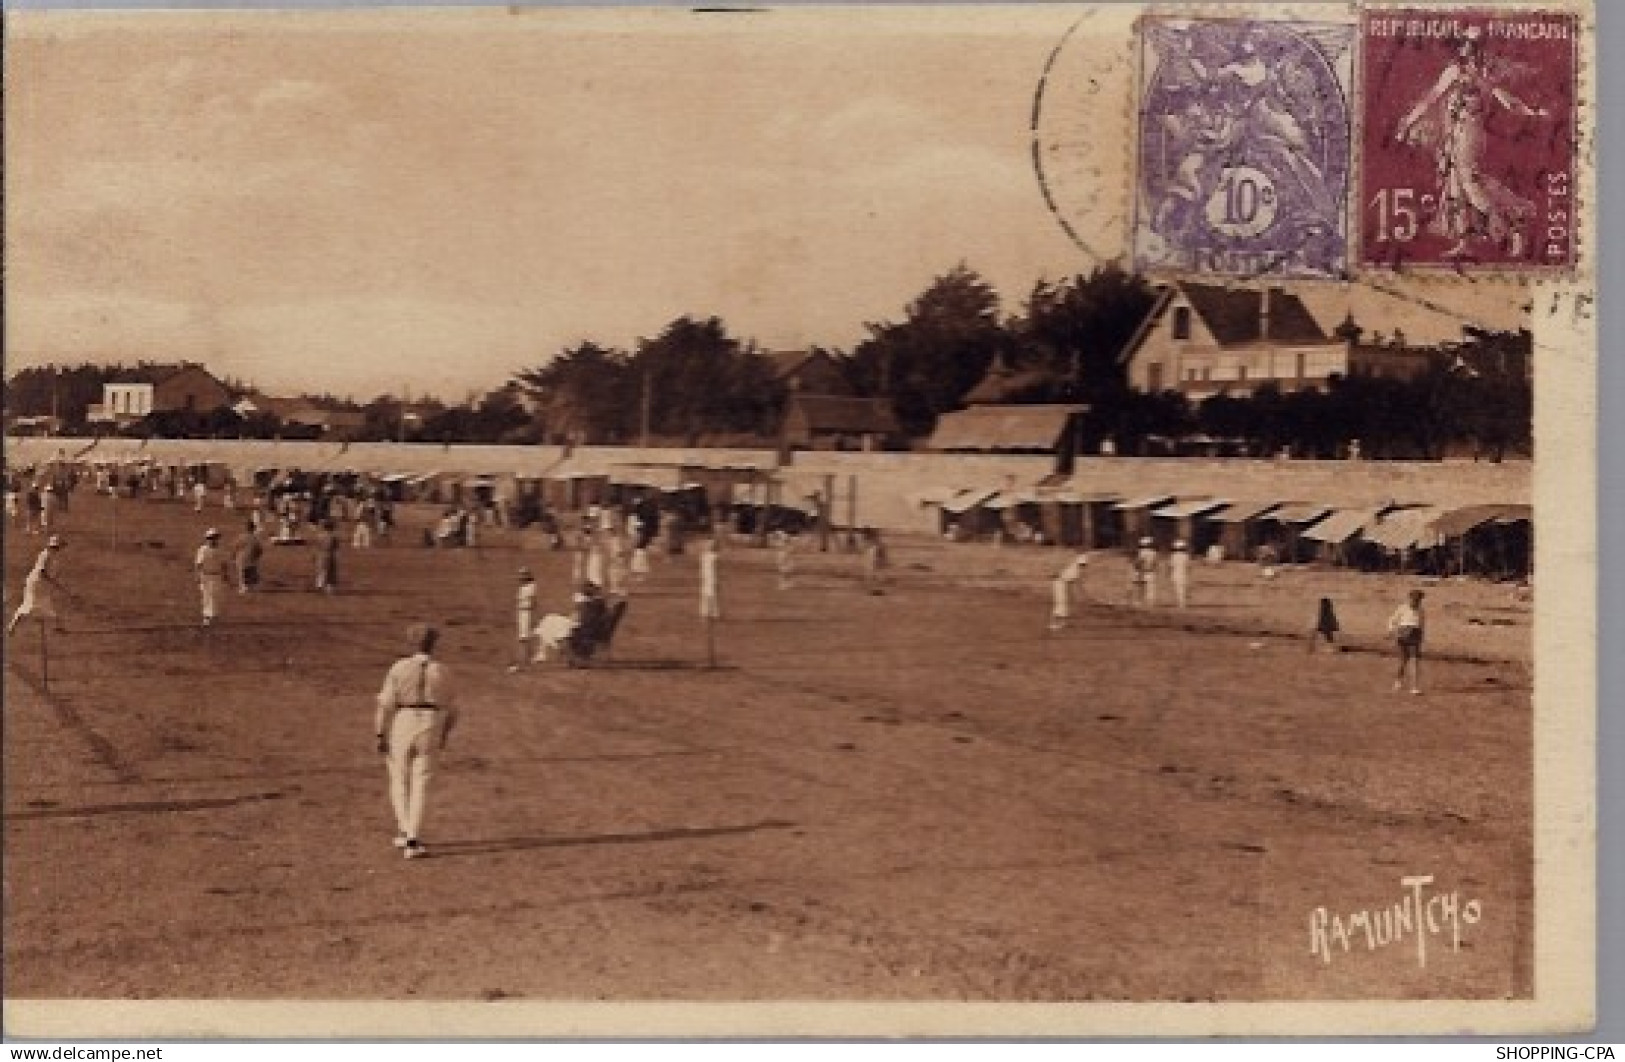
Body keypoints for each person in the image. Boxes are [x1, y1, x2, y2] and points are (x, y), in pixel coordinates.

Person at [374, 623, 458, 860]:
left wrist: (380, 733)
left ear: (411, 643)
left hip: (403, 721)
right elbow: (453, 710)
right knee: (422, 780)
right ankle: (413, 836)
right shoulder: (442, 671)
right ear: (433, 644)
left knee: (399, 778)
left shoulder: (399, 668)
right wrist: (444, 734)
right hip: (431, 722)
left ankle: (405, 830)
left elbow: (385, 704)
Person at [8, 536, 66, 634]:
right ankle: (12, 626)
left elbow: (51, 572)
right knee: (29, 604)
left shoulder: (53, 556)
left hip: (41, 584)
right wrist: (52, 581)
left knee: (46, 603)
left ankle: (58, 627)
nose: (59, 549)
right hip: (36, 583)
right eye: (58, 546)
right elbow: (42, 571)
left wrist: (54, 580)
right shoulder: (45, 555)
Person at [1386, 589, 1427, 694]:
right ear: (1410, 598)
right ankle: (1398, 680)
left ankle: (1414, 686)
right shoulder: (1402, 608)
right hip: (1403, 635)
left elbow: (1422, 625)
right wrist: (1390, 631)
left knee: (1414, 661)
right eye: (1414, 599)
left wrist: (1421, 638)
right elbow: (1392, 620)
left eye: (1418, 600)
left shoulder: (1421, 611)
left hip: (1415, 635)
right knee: (1403, 661)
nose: (1416, 602)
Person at [195, 528, 228, 626]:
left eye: (215, 537)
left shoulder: (220, 550)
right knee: (207, 596)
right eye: (211, 538)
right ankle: (207, 617)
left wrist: (225, 575)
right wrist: (198, 576)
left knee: (216, 596)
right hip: (206, 575)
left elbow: (223, 564)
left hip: (217, 575)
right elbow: (199, 564)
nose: (213, 540)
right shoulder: (203, 550)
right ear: (207, 539)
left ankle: (214, 616)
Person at [1049, 552, 1088, 632]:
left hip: (1064, 585)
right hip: (1059, 585)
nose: (1083, 566)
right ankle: (1055, 623)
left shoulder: (1076, 569)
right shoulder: (1075, 569)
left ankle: (1061, 622)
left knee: (1064, 604)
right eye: (1082, 564)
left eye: (1084, 564)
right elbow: (1071, 580)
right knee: (1061, 603)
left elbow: (1073, 582)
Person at [510, 567, 537, 672]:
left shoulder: (531, 586)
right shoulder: (523, 587)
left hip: (526, 613)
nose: (520, 577)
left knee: (523, 639)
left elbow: (532, 602)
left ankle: (522, 663)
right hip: (521, 613)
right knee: (523, 638)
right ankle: (524, 662)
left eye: (523, 575)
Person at [233, 519, 264, 594]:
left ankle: (244, 586)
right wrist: (256, 557)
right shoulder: (255, 538)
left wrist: (233, 557)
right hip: (252, 561)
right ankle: (252, 586)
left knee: (242, 574)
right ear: (253, 528)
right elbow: (259, 550)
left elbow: (235, 548)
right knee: (252, 573)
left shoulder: (241, 537)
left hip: (241, 560)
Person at [314, 519, 340, 594]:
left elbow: (317, 546)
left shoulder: (320, 536)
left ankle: (319, 584)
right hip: (330, 554)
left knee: (321, 570)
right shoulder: (333, 537)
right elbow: (336, 547)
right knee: (331, 571)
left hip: (321, 554)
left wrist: (315, 555)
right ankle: (329, 587)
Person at [699, 539, 721, 619]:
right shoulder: (714, 557)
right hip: (712, 577)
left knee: (705, 595)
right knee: (713, 595)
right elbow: (717, 568)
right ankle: (714, 613)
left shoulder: (704, 556)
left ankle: (704, 612)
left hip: (705, 577)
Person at [1169, 539, 1192, 608]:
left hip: (1175, 574)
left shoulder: (1173, 556)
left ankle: (1180, 603)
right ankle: (1182, 603)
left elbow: (1171, 566)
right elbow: (1189, 566)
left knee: (1178, 589)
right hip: (1184, 574)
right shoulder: (1186, 556)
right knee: (1183, 589)